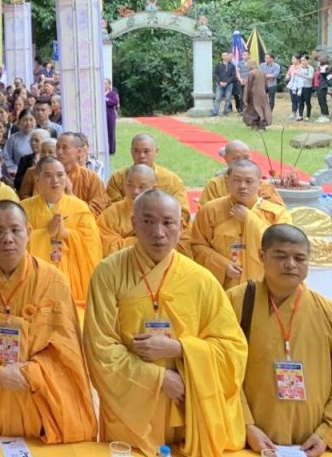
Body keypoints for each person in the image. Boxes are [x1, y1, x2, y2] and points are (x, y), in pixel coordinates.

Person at [84, 190, 248, 457]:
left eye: (168, 222)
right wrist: (158, 378)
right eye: (148, 222)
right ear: (133, 224)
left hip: (185, 408)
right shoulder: (108, 272)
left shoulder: (201, 280)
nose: (158, 232)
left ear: (182, 225)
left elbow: (233, 349)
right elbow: (99, 347)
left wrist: (180, 350)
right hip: (130, 410)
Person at [0, 201, 96, 442]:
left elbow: (65, 348)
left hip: (36, 396)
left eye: (15, 230)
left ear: (28, 232)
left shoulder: (53, 282)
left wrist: (31, 373)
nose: (7, 238)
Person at [229, 224, 332, 455]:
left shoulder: (326, 311)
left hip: (313, 444)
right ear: (262, 256)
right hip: (250, 441)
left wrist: (327, 432)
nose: (291, 264)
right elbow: (220, 371)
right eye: (281, 256)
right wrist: (245, 424)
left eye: (300, 258)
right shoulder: (235, 302)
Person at [191, 159, 292, 288]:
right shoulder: (211, 210)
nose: (242, 186)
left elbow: (284, 245)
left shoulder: (277, 213)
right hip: (225, 287)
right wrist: (222, 264)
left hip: (265, 285)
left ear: (259, 184)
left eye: (249, 181)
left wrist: (249, 219)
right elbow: (197, 245)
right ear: (228, 182)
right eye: (236, 180)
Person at [20, 157, 101, 306]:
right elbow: (16, 242)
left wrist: (66, 234)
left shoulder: (80, 207)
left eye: (60, 175)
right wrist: (46, 233)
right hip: (36, 276)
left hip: (71, 277)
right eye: (48, 175)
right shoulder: (24, 209)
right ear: (37, 179)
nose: (55, 180)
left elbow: (92, 243)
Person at [104, 134, 189, 214]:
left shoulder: (171, 180)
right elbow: (111, 210)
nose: (141, 156)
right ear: (131, 152)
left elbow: (182, 212)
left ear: (156, 151)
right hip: (124, 227)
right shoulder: (118, 178)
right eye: (136, 151)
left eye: (146, 151)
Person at [98, 164, 161, 255]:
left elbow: (169, 242)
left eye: (142, 187)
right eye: (130, 185)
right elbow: (103, 245)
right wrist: (143, 242)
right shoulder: (112, 213)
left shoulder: (162, 212)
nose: (135, 191)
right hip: (121, 264)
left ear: (154, 189)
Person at [198, 141, 282, 206]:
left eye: (246, 157)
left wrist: (249, 216)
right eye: (236, 158)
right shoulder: (215, 185)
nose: (242, 162)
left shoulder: (262, 185)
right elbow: (205, 214)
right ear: (226, 159)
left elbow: (277, 214)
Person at [56, 132, 107, 215]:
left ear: (78, 151)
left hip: (81, 226)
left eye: (65, 148)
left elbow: (97, 210)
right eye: (57, 147)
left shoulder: (91, 178)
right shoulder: (47, 177)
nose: (59, 152)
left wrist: (70, 195)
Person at [243, 59, 273, 130]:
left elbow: (249, 86)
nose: (247, 66)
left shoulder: (251, 73)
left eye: (247, 64)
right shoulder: (262, 72)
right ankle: (262, 124)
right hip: (262, 93)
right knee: (262, 108)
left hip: (254, 94)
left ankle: (256, 124)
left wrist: (246, 98)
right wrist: (265, 91)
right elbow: (266, 85)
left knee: (254, 109)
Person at [212, 51, 236, 117]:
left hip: (229, 85)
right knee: (217, 98)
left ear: (228, 56)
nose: (225, 56)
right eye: (223, 55)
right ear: (222, 56)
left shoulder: (232, 66)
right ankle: (215, 112)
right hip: (219, 85)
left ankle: (226, 111)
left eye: (226, 55)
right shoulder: (218, 65)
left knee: (228, 98)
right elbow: (215, 74)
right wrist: (220, 82)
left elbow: (233, 75)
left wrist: (227, 82)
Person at [105, 78, 120, 155]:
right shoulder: (99, 93)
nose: (104, 85)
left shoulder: (112, 93)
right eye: (103, 84)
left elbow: (115, 102)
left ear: (109, 85)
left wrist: (107, 100)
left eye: (106, 84)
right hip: (102, 115)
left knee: (110, 132)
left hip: (110, 115)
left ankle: (111, 150)